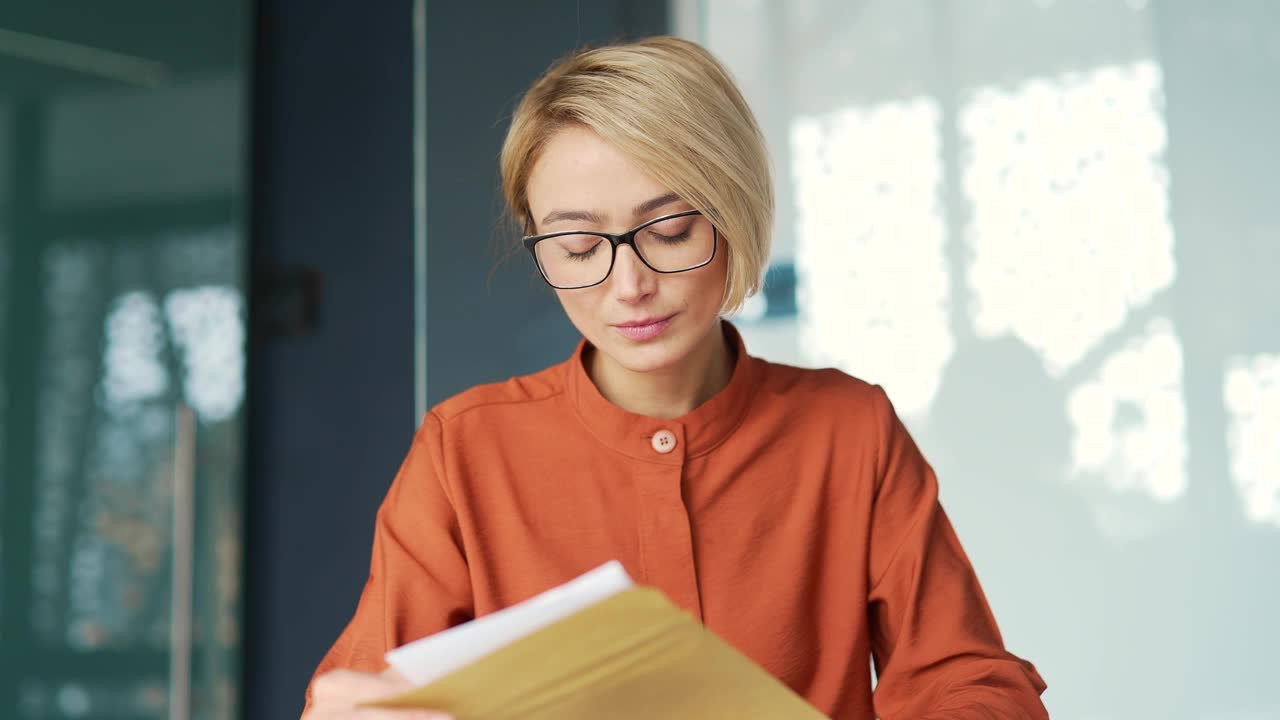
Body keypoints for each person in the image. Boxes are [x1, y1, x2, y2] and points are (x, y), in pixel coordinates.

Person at [301, 36, 1048, 720]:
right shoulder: (463, 453)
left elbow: (968, 681)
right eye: (577, 244)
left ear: (735, 212)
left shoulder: (849, 429)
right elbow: (365, 688)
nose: (628, 284)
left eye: (670, 230)